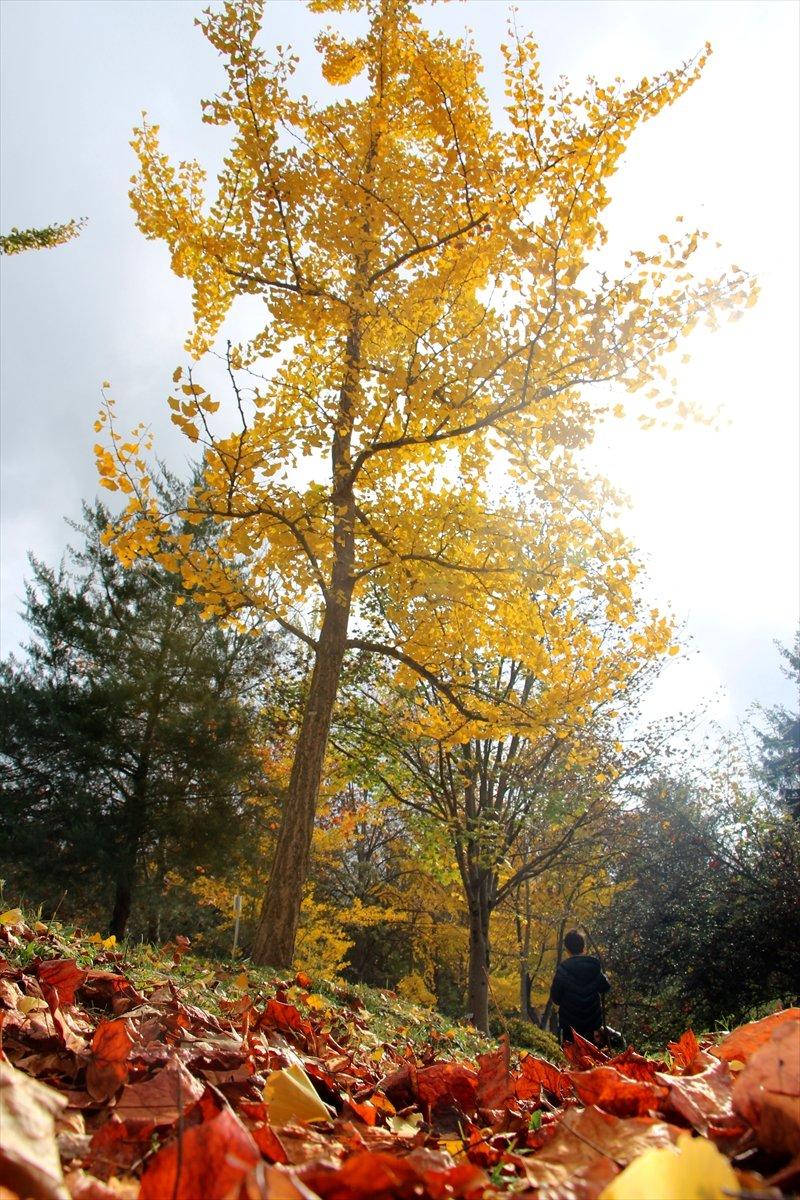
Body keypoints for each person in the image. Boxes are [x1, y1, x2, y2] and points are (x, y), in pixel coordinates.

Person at [549, 928, 610, 1045]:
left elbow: (556, 998)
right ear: (584, 948)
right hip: (592, 1023)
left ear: (567, 949)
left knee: (572, 1056)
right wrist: (605, 976)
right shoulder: (594, 968)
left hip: (570, 1024)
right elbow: (605, 987)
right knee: (592, 1055)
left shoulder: (562, 970)